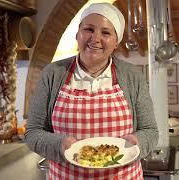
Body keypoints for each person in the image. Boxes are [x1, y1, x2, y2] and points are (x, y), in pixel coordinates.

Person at [25, 2, 158, 180]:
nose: (95, 39)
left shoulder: (132, 76)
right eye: (88, 29)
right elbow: (33, 132)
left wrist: (138, 142)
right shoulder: (52, 74)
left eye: (105, 32)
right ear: (77, 33)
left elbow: (150, 131)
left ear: (116, 42)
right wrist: (60, 144)